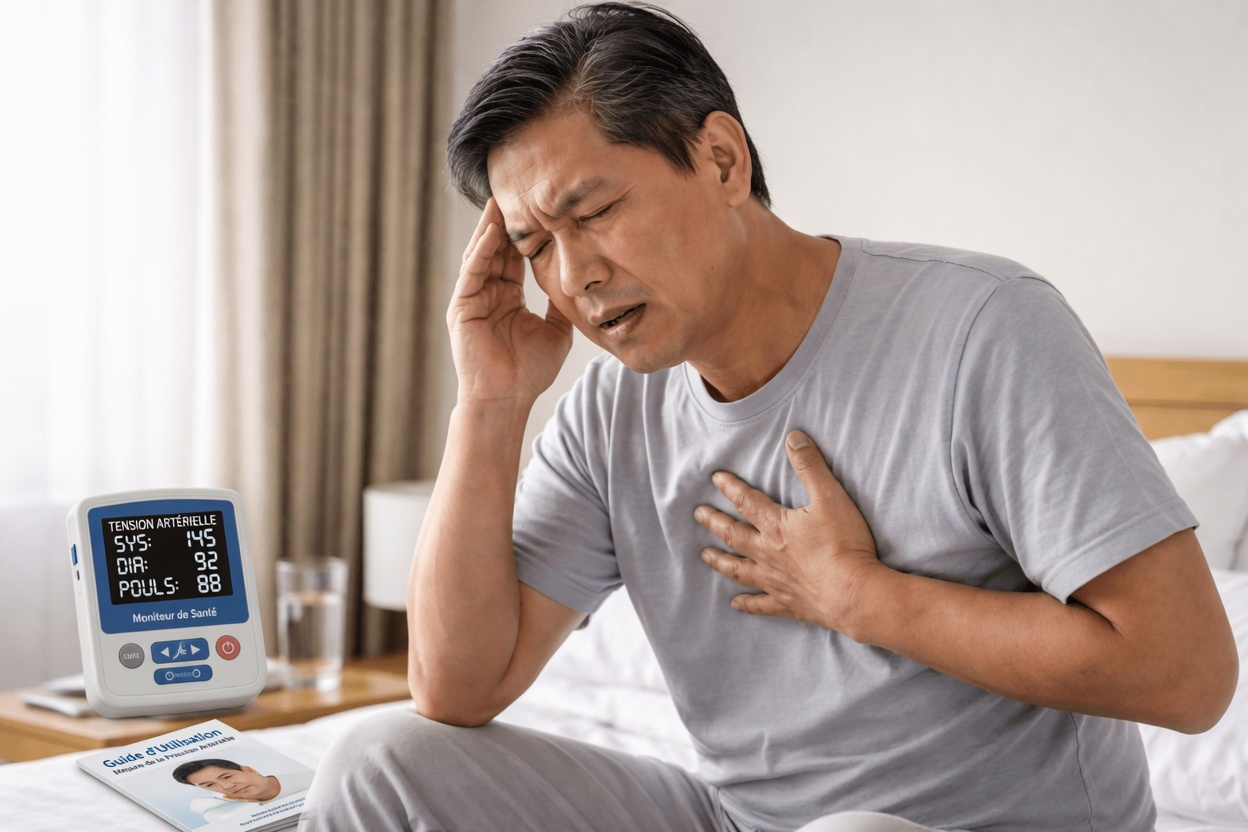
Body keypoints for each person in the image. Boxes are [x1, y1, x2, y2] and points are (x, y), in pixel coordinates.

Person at [301, 4, 1238, 831]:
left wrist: (863, 599)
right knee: (376, 763)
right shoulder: (607, 412)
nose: (572, 277)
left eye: (594, 212)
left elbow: (1189, 676)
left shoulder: (984, 328)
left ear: (720, 158)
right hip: (740, 818)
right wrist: (490, 402)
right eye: (534, 245)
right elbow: (457, 688)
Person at [174, 758, 314, 822]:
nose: (227, 787)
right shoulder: (224, 814)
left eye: (227, 776)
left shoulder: (312, 778)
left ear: (250, 770)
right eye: (210, 785)